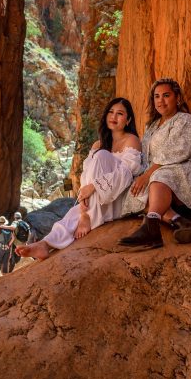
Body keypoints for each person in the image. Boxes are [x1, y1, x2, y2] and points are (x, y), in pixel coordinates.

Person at [15, 97, 144, 261]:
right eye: (111, 112)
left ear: (128, 120)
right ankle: (45, 244)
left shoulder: (131, 140)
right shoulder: (98, 144)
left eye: (120, 114)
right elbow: (86, 176)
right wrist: (86, 195)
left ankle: (85, 216)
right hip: (96, 199)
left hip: (119, 197)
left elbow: (125, 175)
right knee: (73, 212)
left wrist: (94, 186)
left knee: (102, 155)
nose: (114, 117)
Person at [118, 77, 191, 249]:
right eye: (156, 96)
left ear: (177, 98)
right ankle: (180, 222)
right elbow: (147, 155)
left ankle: (150, 228)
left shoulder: (185, 120)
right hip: (165, 167)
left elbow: (177, 152)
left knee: (159, 177)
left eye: (166, 95)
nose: (160, 101)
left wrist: (147, 175)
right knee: (137, 192)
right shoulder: (153, 126)